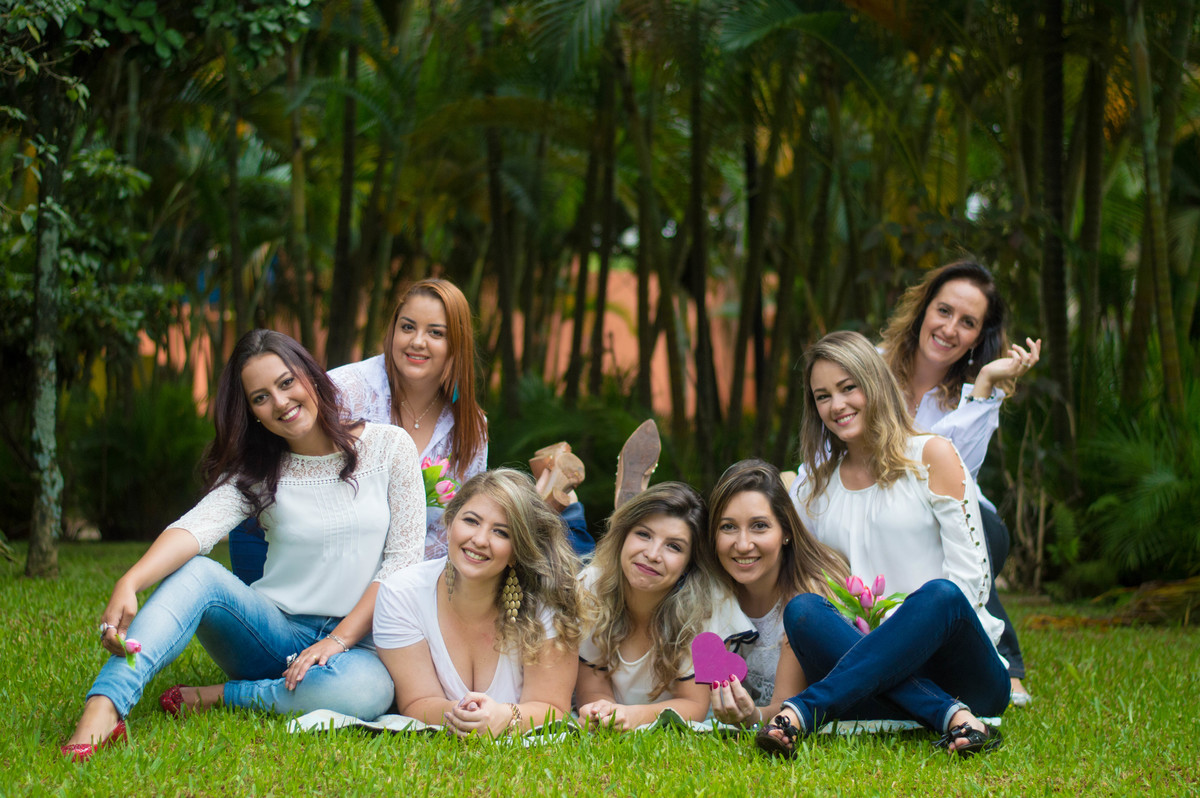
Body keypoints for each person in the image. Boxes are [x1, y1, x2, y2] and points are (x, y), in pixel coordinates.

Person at [61, 330, 426, 761]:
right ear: (252, 413)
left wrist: (337, 640)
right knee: (198, 572)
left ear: (311, 376)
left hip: (360, 644)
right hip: (272, 633)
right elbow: (194, 528)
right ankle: (104, 707)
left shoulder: (389, 447)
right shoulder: (257, 473)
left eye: (286, 382)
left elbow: (402, 563)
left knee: (368, 692)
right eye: (261, 398)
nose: (281, 402)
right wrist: (130, 581)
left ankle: (226, 695)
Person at [761, 331, 1009, 759]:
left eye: (848, 387)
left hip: (963, 674)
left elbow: (973, 584)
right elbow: (792, 568)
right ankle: (951, 717)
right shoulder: (814, 488)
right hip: (869, 679)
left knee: (941, 595)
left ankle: (804, 710)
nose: (837, 405)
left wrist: (898, 641)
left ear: (874, 383)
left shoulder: (932, 455)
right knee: (802, 610)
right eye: (823, 396)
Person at [879, 259, 1040, 705]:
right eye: (944, 311)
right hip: (886, 517)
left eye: (968, 322)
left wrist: (985, 382)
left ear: (978, 337)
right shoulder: (872, 368)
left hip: (965, 522)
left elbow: (954, 475)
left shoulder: (976, 393)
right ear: (923, 310)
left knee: (951, 530)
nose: (950, 329)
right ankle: (1003, 660)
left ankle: (1000, 664)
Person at [373, 469, 582, 735]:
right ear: (450, 523)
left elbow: (553, 708)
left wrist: (505, 717)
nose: (480, 540)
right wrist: (464, 715)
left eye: (501, 533)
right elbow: (417, 702)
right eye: (471, 521)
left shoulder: (547, 599)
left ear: (518, 551)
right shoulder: (402, 594)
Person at [576, 483, 755, 731]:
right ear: (623, 535)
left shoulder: (710, 606)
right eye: (644, 534)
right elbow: (592, 682)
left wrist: (631, 716)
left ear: (689, 563)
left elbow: (694, 705)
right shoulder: (592, 586)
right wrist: (603, 711)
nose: (652, 554)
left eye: (674, 546)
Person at [705, 459, 848, 728]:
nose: (743, 544)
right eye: (728, 527)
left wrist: (752, 717)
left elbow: (787, 705)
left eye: (759, 525)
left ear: (786, 532)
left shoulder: (807, 601)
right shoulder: (708, 599)